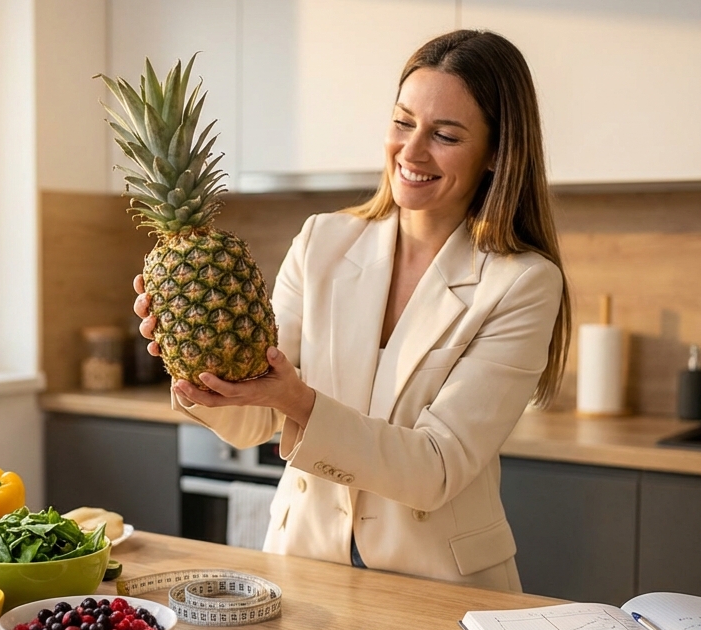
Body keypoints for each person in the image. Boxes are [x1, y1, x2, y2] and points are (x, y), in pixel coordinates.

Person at [132, 30, 570, 592]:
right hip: (303, 569)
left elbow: (437, 467)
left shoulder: (523, 282)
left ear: (496, 154)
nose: (412, 152)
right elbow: (252, 420)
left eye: (446, 135)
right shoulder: (322, 241)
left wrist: (295, 399)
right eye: (403, 122)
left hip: (440, 589)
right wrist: (197, 367)